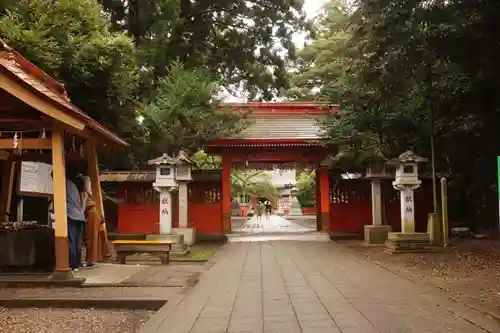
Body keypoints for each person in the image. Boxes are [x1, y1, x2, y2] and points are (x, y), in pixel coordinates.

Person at [65, 168, 86, 271]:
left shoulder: (64, 183)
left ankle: (72, 264)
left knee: (71, 240)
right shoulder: (74, 185)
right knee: (78, 241)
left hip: (71, 215)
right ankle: (77, 264)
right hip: (80, 216)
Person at [79, 175, 103, 267]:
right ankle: (91, 259)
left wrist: (81, 214)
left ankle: (90, 259)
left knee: (89, 238)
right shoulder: (87, 191)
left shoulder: (84, 193)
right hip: (92, 213)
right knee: (92, 237)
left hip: (90, 213)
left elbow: (83, 206)